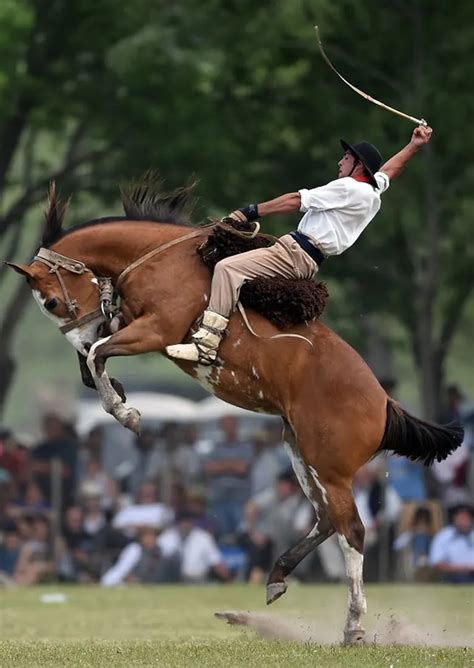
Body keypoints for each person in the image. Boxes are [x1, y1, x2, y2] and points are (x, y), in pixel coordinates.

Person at [166, 126, 433, 364]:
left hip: (295, 254)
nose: (340, 161)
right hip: (303, 255)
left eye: (347, 157)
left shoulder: (349, 187)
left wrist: (249, 212)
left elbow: (295, 200)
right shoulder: (372, 192)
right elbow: (389, 171)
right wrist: (414, 145)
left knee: (226, 268)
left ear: (359, 166)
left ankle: (206, 345)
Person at [429, 504, 474, 584]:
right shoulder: (444, 536)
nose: (463, 523)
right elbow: (436, 563)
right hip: (452, 576)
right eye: (460, 519)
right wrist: (463, 569)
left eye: (466, 519)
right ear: (454, 519)